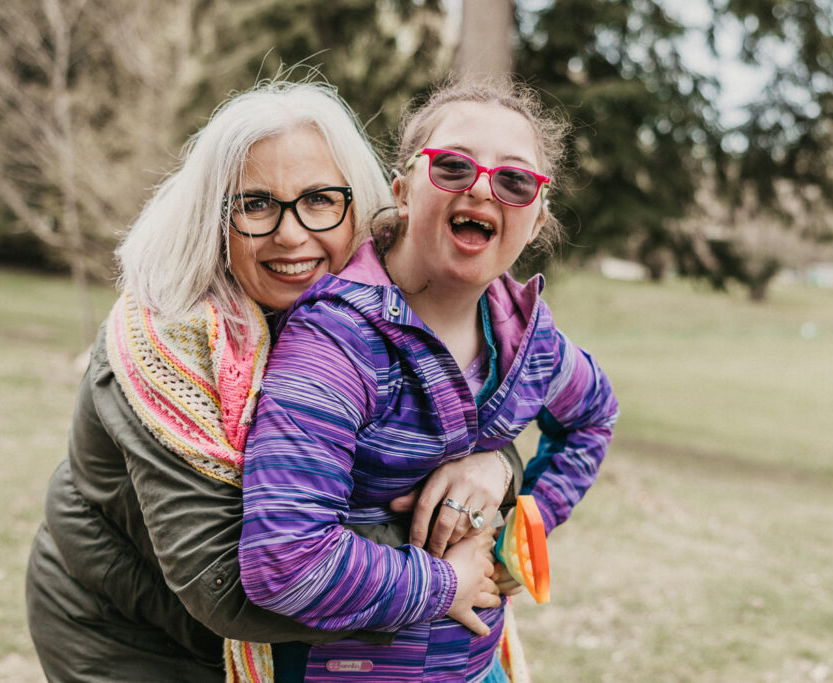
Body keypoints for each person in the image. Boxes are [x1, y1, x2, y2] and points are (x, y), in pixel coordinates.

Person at [25, 80, 525, 682]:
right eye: (256, 204)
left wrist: (493, 466)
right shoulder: (164, 346)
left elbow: (454, 424)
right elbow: (228, 582)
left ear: (360, 205)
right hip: (126, 634)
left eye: (318, 199)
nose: (291, 234)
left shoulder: (379, 311)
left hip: (272, 642)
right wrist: (445, 574)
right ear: (217, 219)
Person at [238, 80, 620, 682]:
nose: (481, 187)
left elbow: (593, 416)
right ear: (403, 188)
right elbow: (284, 563)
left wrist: (516, 528)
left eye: (515, 181)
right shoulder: (337, 342)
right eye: (453, 166)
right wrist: (447, 582)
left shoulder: (530, 343)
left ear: (538, 215)